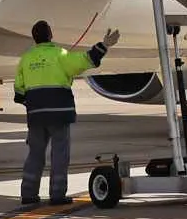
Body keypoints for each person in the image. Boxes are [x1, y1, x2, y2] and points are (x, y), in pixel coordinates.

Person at [13, 19, 120, 206]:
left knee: (35, 154)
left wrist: (34, 105)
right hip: (59, 114)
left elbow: (19, 92)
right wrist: (104, 45)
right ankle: (57, 195)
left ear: (34, 38)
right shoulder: (60, 55)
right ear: (51, 35)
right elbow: (86, 60)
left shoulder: (26, 58)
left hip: (37, 116)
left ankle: (28, 194)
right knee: (59, 154)